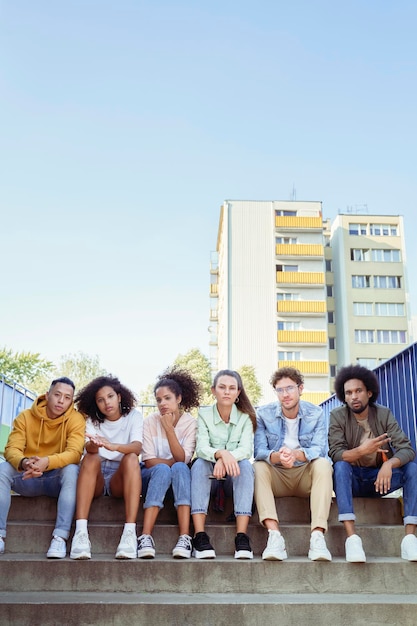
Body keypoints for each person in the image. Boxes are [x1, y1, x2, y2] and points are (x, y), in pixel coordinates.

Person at [329, 364, 417, 563]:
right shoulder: (337, 416)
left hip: (379, 479)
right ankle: (352, 538)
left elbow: (407, 449)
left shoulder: (383, 414)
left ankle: (410, 538)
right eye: (349, 393)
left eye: (358, 391)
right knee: (340, 466)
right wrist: (361, 451)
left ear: (369, 392)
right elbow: (335, 453)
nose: (354, 396)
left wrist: (389, 465)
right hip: (352, 481)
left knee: (412, 469)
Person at [0, 377, 85, 558]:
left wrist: (47, 461)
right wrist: (24, 462)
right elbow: (11, 449)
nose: (61, 401)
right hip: (27, 476)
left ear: (71, 400)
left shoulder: (76, 419)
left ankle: (60, 538)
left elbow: (75, 452)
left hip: (56, 479)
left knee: (72, 469)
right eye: (57, 395)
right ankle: (0, 534)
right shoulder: (25, 416)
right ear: (47, 395)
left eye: (67, 397)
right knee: (2, 469)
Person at [254, 367, 333, 561]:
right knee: (257, 466)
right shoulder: (263, 414)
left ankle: (317, 537)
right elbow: (259, 452)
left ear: (301, 388)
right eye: (279, 390)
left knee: (323, 464)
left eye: (289, 388)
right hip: (277, 476)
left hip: (304, 475)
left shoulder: (316, 413)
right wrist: (279, 457)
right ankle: (274, 537)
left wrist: (296, 454)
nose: (285, 394)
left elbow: (319, 449)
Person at [69, 375, 142, 560]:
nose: (106, 403)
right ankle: (81, 533)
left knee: (132, 458)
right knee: (91, 458)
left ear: (119, 396)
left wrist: (113, 446)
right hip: (96, 476)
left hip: (121, 476)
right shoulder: (92, 420)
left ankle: (129, 533)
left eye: (110, 397)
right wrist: (95, 443)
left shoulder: (133, 416)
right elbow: (88, 449)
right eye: (100, 400)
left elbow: (137, 447)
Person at [191, 369, 256, 559]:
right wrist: (220, 454)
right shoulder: (203, 414)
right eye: (222, 387)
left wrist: (226, 458)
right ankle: (200, 536)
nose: (227, 392)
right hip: (209, 478)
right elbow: (201, 447)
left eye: (232, 388)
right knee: (199, 465)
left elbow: (246, 450)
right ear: (213, 390)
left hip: (231, 479)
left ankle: (242, 537)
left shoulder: (245, 417)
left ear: (238, 393)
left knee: (245, 466)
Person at [138, 367, 200, 559]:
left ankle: (184, 537)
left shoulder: (190, 423)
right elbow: (148, 461)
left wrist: (169, 430)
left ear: (178, 399)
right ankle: (145, 536)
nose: (162, 403)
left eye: (167, 398)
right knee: (164, 469)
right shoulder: (149, 422)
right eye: (158, 400)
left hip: (179, 480)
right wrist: (170, 463)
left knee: (180, 468)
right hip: (152, 477)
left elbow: (183, 459)